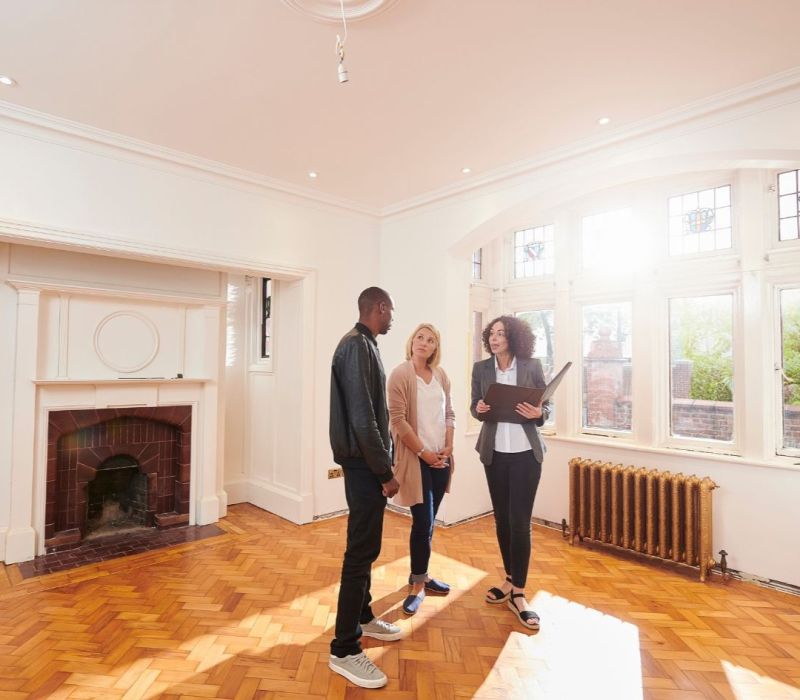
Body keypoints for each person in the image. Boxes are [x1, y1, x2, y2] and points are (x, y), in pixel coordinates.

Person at [328, 286, 403, 689]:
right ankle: (344, 649)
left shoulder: (365, 344)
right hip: (363, 465)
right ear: (380, 308)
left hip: (364, 463)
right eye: (391, 311)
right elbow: (362, 418)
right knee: (360, 552)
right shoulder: (356, 346)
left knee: (367, 546)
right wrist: (385, 472)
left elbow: (371, 413)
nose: (393, 318)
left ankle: (363, 616)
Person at [470, 315, 550, 630]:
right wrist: (478, 409)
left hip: (526, 455)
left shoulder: (531, 366)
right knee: (502, 521)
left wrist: (539, 412)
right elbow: (474, 406)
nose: (494, 338)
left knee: (520, 523)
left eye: (501, 333)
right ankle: (509, 577)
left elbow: (546, 406)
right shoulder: (481, 369)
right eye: (491, 333)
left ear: (513, 337)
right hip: (494, 454)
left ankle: (519, 593)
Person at [387, 323, 455, 616]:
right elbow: (398, 421)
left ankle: (422, 574)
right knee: (422, 521)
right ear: (412, 341)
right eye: (420, 337)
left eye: (430, 340)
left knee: (430, 521)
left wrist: (448, 446)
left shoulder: (440, 375)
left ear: (435, 347)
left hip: (441, 458)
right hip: (416, 460)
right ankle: (417, 584)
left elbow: (449, 413)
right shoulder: (400, 374)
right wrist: (424, 454)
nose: (424, 343)